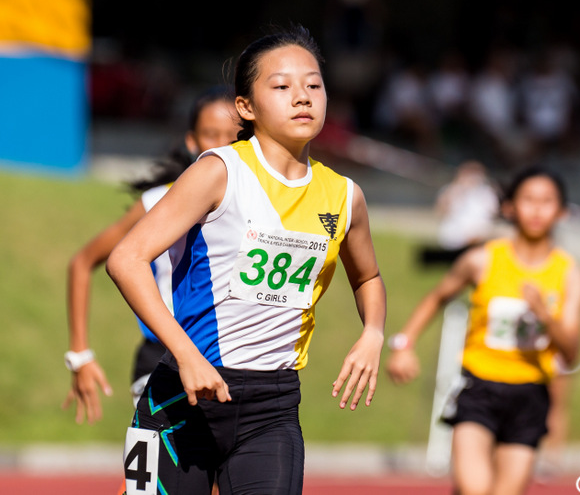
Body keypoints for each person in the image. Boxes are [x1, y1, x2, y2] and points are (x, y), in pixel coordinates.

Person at [106, 25, 386, 495]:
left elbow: (369, 276)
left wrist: (373, 332)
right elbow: (126, 259)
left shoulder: (345, 196)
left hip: (271, 409)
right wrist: (185, 354)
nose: (302, 97)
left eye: (313, 85)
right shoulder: (218, 172)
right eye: (281, 86)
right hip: (182, 396)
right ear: (246, 107)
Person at [387, 165, 580, 495]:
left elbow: (572, 352)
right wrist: (404, 344)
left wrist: (545, 317)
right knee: (474, 489)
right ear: (509, 208)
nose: (537, 209)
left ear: (562, 212)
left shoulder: (569, 275)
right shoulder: (483, 260)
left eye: (547, 201)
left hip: (530, 395)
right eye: (528, 199)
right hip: (478, 387)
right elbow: (436, 297)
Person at [62, 88, 239, 425]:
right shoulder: (159, 201)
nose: (221, 147)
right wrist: (80, 356)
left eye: (233, 137)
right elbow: (82, 263)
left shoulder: (262, 207)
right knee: (177, 472)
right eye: (210, 135)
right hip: (163, 357)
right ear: (191, 142)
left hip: (232, 356)